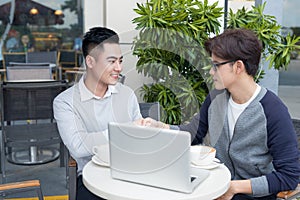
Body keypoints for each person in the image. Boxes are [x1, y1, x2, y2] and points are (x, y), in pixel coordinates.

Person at [139, 28, 300, 199]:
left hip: (249, 196)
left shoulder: (273, 110)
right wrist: (159, 127)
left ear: (238, 66)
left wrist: (233, 188)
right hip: (214, 189)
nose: (210, 72)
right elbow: (192, 134)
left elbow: (289, 176)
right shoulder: (216, 98)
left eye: (216, 65)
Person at [53, 27, 142, 200]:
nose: (118, 68)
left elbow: (138, 137)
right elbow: (79, 147)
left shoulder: (127, 94)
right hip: (90, 179)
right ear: (90, 62)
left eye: (120, 61)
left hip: (130, 173)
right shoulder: (64, 102)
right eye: (111, 61)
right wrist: (124, 132)